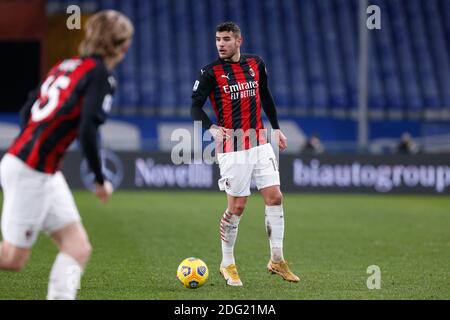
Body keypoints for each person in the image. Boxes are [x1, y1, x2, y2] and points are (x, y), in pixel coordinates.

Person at [0, 10, 133, 300]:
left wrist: (36, 142)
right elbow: (87, 131)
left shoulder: (66, 65)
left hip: (36, 166)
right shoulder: (102, 76)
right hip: (32, 169)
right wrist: (99, 180)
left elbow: (27, 109)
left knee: (77, 248)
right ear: (123, 46)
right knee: (12, 258)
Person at [191, 21, 299, 286]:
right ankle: (227, 263)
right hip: (232, 146)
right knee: (238, 206)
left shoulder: (256, 64)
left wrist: (276, 129)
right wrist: (211, 127)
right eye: (218, 39)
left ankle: (277, 259)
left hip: (260, 141)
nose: (220, 44)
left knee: (275, 197)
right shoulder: (209, 72)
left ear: (239, 41)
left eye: (226, 39)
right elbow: (195, 105)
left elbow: (266, 95)